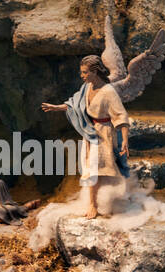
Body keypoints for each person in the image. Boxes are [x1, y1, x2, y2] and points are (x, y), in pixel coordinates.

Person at [40, 54, 130, 220]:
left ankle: (98, 204)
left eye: (84, 72)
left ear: (95, 71)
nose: (82, 75)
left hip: (104, 133)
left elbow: (121, 116)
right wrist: (55, 107)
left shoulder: (109, 91)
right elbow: (74, 104)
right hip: (90, 132)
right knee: (91, 168)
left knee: (97, 168)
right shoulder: (86, 87)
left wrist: (124, 140)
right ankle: (97, 202)